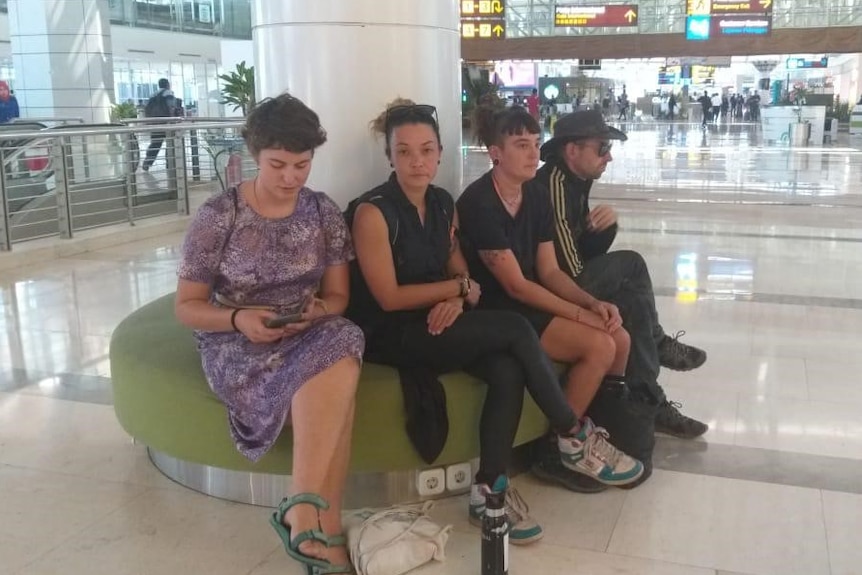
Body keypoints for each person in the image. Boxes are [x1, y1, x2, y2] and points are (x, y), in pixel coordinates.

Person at [348, 100, 631, 544]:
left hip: (438, 321)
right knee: (515, 330)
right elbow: (388, 297)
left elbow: (461, 272)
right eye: (404, 152)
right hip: (393, 334)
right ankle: (572, 434)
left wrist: (459, 295)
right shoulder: (373, 212)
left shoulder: (442, 205)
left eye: (426, 150)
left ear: (440, 152)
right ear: (390, 157)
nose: (417, 161)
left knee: (508, 367)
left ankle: (489, 492)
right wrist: (456, 292)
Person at [174, 94, 363, 575]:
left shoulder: (322, 212)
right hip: (234, 341)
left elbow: (338, 299)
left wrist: (314, 312)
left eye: (302, 165)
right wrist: (239, 319)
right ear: (254, 156)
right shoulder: (220, 215)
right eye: (278, 164)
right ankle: (321, 527)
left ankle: (304, 516)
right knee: (341, 396)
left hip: (302, 330)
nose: (291, 177)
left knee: (344, 335)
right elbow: (188, 308)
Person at [456, 105, 645, 492]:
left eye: (536, 144)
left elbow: (550, 272)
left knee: (619, 336)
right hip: (499, 310)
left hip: (531, 299)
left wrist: (591, 305)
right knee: (599, 345)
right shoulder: (480, 204)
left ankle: (600, 435)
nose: (532, 154)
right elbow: (515, 287)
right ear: (495, 153)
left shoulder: (535, 196)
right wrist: (579, 314)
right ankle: (558, 453)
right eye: (521, 145)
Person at [534, 109, 709, 439]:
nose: (609, 157)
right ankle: (656, 348)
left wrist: (603, 229)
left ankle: (649, 399)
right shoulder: (554, 185)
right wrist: (599, 240)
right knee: (631, 264)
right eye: (601, 148)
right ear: (572, 150)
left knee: (629, 298)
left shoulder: (575, 181)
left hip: (565, 281)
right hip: (552, 290)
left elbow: (578, 250)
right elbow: (569, 270)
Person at [142, 78, 179, 171]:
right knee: (170, 144)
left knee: (155, 144)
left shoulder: (153, 95)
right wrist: (174, 120)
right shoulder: (169, 93)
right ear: (167, 84)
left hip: (155, 123)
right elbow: (172, 107)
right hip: (167, 123)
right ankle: (169, 164)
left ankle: (147, 162)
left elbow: (147, 109)